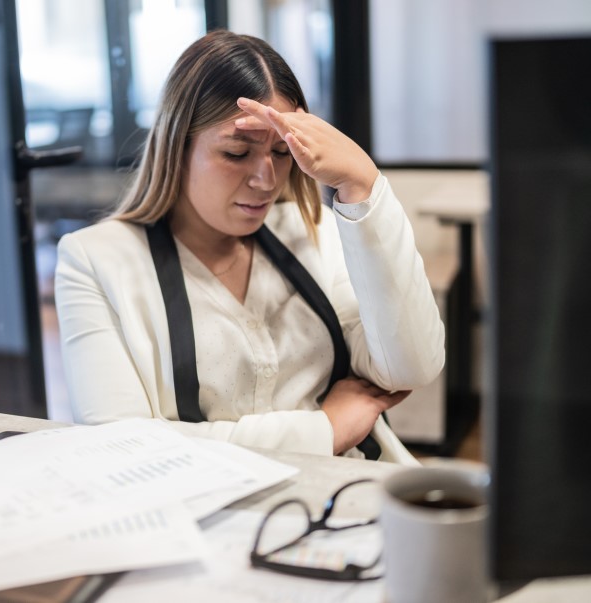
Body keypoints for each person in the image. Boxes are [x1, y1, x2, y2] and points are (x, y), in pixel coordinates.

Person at [54, 30, 444, 461]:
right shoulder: (94, 261)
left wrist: (362, 184)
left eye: (282, 152)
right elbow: (117, 447)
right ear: (176, 147)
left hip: (346, 497)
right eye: (237, 153)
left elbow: (413, 366)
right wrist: (323, 430)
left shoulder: (312, 226)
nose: (267, 180)